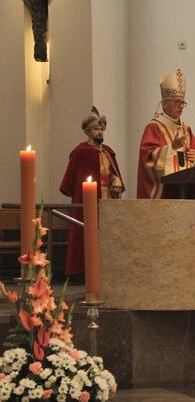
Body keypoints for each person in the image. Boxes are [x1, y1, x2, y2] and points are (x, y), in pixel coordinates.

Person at [59, 107, 125, 278]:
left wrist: (116, 181)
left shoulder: (108, 151)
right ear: (88, 132)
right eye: (96, 129)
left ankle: (109, 269)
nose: (100, 132)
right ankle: (83, 270)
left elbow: (113, 173)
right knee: (87, 233)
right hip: (89, 200)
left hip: (107, 199)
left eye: (101, 129)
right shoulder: (81, 152)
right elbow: (73, 178)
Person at [137, 68, 195, 199]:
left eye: (183, 102)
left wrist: (194, 158)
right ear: (165, 104)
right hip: (166, 193)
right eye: (177, 102)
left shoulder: (186, 129)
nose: (181, 106)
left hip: (186, 190)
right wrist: (171, 148)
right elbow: (147, 159)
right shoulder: (154, 127)